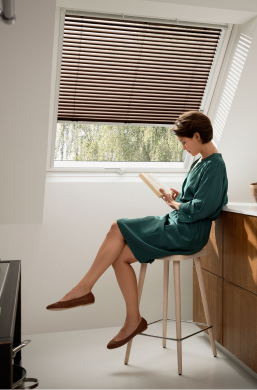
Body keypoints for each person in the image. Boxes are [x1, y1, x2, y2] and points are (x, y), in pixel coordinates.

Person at [46, 110, 228, 350]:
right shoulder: (200, 161)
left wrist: (174, 203)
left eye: (184, 142)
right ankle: (133, 319)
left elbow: (204, 208)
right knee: (120, 258)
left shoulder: (215, 165)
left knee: (116, 226)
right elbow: (196, 198)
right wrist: (177, 196)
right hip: (177, 223)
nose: (184, 147)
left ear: (196, 135)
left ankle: (84, 289)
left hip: (188, 234)